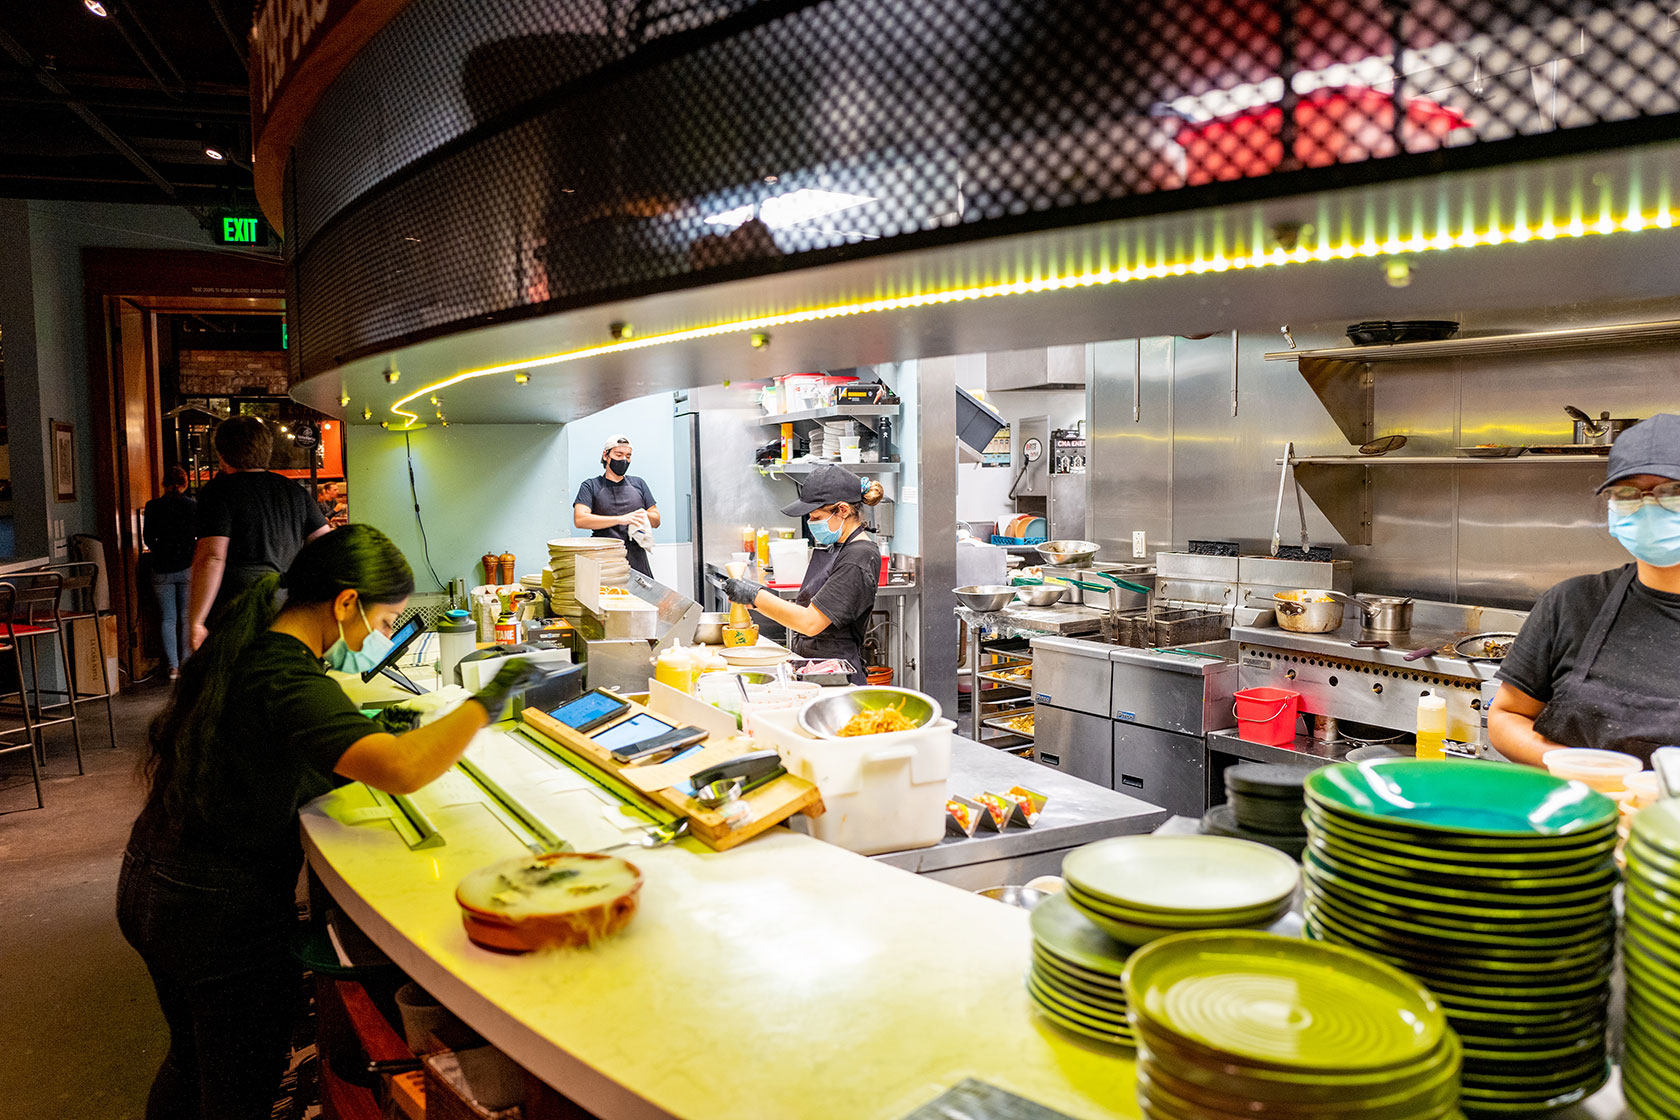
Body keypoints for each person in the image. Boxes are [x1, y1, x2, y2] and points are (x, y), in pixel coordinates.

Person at [116, 525, 539, 1120]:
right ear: (345, 604)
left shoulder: (255, 638)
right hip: (214, 910)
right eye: (386, 620)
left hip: (155, 877)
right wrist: (489, 698)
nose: (382, 635)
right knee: (238, 1088)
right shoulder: (281, 671)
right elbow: (402, 768)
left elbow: (278, 750)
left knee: (190, 1063)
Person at [1489, 413, 1680, 766]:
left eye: (1673, 491)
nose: (1649, 506)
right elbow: (1506, 717)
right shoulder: (1571, 604)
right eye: (1628, 493)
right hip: (1580, 813)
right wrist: (1581, 768)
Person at [720, 464, 885, 685]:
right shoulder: (839, 546)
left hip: (837, 677)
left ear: (843, 510)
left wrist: (755, 596)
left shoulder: (859, 557)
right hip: (816, 668)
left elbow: (810, 622)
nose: (811, 523)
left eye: (816, 517)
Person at [188, 416, 331, 650]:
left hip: (237, 611)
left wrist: (196, 621)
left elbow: (212, 557)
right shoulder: (294, 491)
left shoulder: (219, 491)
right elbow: (326, 545)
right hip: (285, 608)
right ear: (267, 450)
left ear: (222, 454)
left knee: (238, 680)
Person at [573, 434, 660, 577]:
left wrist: (643, 515)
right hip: (604, 558)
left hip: (637, 559)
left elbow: (656, 520)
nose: (624, 460)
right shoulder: (591, 486)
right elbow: (580, 520)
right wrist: (620, 519)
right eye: (619, 455)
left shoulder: (639, 484)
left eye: (628, 456)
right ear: (606, 455)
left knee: (641, 598)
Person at [143, 466, 196, 680]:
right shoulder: (193, 507)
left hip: (161, 567)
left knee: (168, 618)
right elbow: (198, 536)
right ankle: (185, 663)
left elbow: (148, 538)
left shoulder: (153, 506)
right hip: (186, 566)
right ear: (186, 483)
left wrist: (160, 550)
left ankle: (173, 667)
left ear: (164, 484)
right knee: (185, 617)